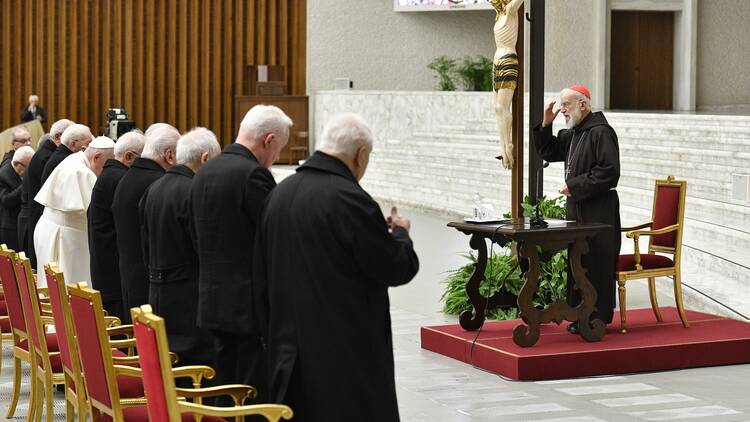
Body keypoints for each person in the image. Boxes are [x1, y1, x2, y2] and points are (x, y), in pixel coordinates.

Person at [254, 113, 419, 421]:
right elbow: (396, 267)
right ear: (361, 155)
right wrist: (400, 234)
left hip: (288, 355)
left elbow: (260, 278)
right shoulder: (350, 200)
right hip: (343, 361)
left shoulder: (279, 194)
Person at [191, 105, 291, 402]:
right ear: (268, 139)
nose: (276, 159)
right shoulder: (253, 176)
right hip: (248, 309)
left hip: (210, 300)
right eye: (279, 149)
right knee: (250, 394)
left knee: (222, 390)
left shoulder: (203, 172)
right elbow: (272, 241)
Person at [532, 84, 621, 333]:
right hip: (578, 209)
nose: (562, 110)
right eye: (561, 105)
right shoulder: (574, 133)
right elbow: (548, 151)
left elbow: (610, 172)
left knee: (597, 262)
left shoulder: (601, 132)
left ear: (583, 104)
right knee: (578, 262)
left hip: (599, 212)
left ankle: (597, 318)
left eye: (567, 105)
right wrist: (546, 124)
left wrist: (574, 185)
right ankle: (579, 314)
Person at [140, 127, 220, 368]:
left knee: (169, 368)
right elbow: (204, 250)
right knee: (197, 370)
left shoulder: (154, 188)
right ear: (205, 159)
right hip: (189, 298)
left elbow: (145, 245)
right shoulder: (193, 192)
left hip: (158, 291)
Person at [113, 123, 179, 320]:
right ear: (169, 155)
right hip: (149, 281)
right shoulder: (156, 183)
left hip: (130, 273)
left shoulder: (129, 176)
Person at [34, 135, 114, 286]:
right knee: (71, 288)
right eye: (107, 165)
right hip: (66, 239)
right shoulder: (81, 172)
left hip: (51, 230)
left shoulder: (75, 159)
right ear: (96, 157)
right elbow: (94, 214)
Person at [88, 131, 145, 321]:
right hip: (113, 274)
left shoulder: (110, 174)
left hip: (106, 269)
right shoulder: (119, 179)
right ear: (129, 156)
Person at [24, 119, 74, 266]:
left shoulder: (45, 153)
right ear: (58, 137)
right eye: (69, 137)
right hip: (40, 215)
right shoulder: (48, 157)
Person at [491, 0, 524, 169]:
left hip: (507, 60)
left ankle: (508, 144)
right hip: (497, 61)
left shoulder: (511, 11)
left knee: (502, 106)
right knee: (496, 107)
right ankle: (502, 145)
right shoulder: (499, 16)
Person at [0, 146, 34, 250]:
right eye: (27, 168)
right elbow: (7, 200)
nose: (29, 171)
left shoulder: (21, 168)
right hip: (10, 228)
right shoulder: (2, 175)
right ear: (16, 164)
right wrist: (24, 184)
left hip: (24, 223)